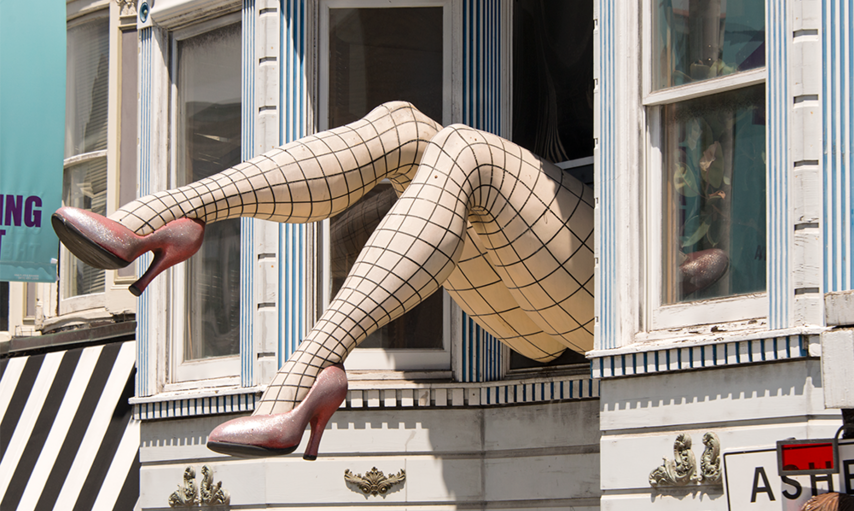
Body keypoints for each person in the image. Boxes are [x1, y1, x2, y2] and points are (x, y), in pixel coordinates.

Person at [53, 101, 597, 459]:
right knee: (405, 127)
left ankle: (298, 376)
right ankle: (162, 216)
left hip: (618, 297)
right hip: (535, 301)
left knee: (464, 149)